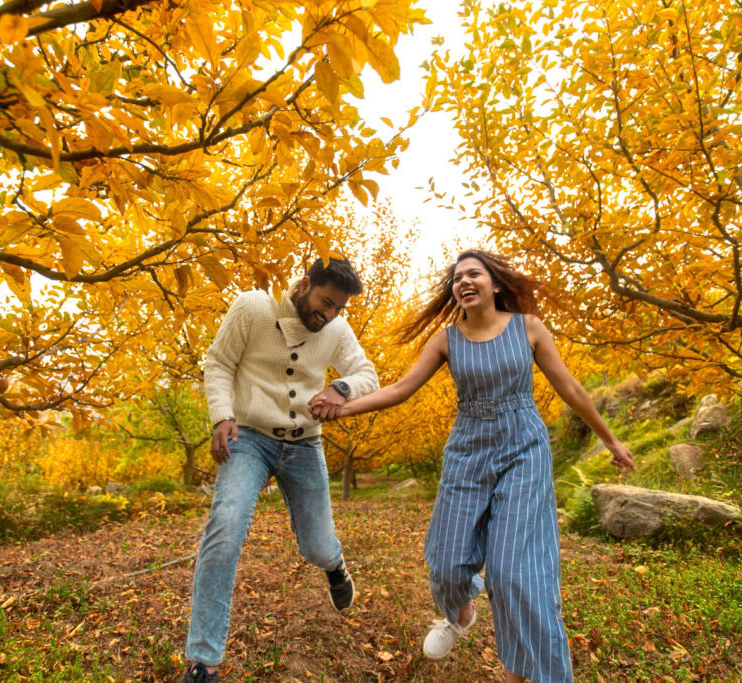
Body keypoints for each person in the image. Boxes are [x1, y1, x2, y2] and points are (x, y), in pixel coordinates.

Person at [320, 250, 635, 682]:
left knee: (513, 574)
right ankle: (461, 614)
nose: (463, 281)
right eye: (456, 277)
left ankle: (529, 672)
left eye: (474, 274)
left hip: (523, 446)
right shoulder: (447, 340)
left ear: (497, 284)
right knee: (446, 564)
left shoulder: (529, 329)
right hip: (468, 450)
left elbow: (572, 389)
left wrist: (611, 440)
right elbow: (400, 389)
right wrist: (343, 406)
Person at [183, 257, 379, 683]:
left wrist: (338, 387)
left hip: (304, 443)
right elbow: (218, 363)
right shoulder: (254, 306)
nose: (328, 315)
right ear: (305, 284)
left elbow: (368, 375)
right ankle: (203, 661)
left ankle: (335, 566)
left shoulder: (336, 330)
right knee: (225, 530)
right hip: (249, 437)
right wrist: (221, 415)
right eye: (325, 302)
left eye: (338, 309)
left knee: (317, 548)